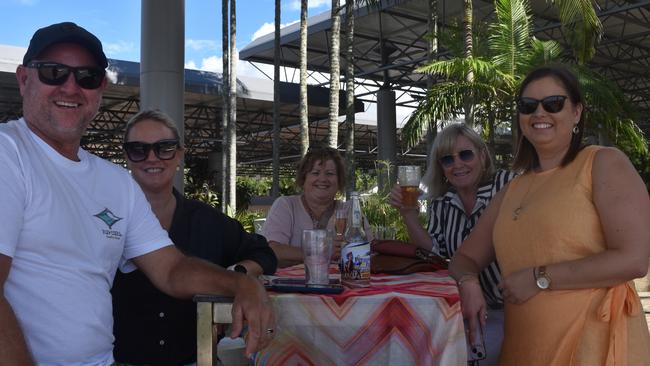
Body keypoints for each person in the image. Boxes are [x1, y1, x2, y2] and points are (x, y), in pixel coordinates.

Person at [0, 22, 274, 365]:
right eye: (53, 72)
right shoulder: (9, 153)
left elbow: (172, 270)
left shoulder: (115, 182)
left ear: (99, 88)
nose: (70, 87)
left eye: (86, 76)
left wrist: (240, 284)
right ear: (24, 79)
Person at [449, 65, 650, 365]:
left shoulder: (603, 163)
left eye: (553, 103)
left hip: (592, 347)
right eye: (528, 106)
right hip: (524, 349)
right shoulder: (514, 188)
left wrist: (539, 278)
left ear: (577, 112)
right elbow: (464, 258)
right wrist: (468, 283)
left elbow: (633, 259)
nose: (539, 113)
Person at [111, 109, 278, 365]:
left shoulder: (208, 220)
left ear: (179, 154)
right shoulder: (105, 221)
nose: (152, 158)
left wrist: (240, 276)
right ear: (127, 156)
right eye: (138, 149)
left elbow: (263, 252)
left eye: (164, 148)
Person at [389, 123, 515, 365]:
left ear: (482, 155)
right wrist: (409, 215)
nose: (457, 164)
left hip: (511, 309)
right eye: (447, 159)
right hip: (464, 311)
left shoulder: (507, 185)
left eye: (465, 154)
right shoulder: (442, 201)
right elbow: (436, 255)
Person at [263, 146, 349, 268]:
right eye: (315, 173)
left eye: (330, 173)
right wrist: (322, 252)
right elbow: (273, 250)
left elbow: (369, 250)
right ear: (303, 179)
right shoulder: (286, 205)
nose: (323, 179)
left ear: (339, 181)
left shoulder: (350, 210)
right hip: (291, 284)